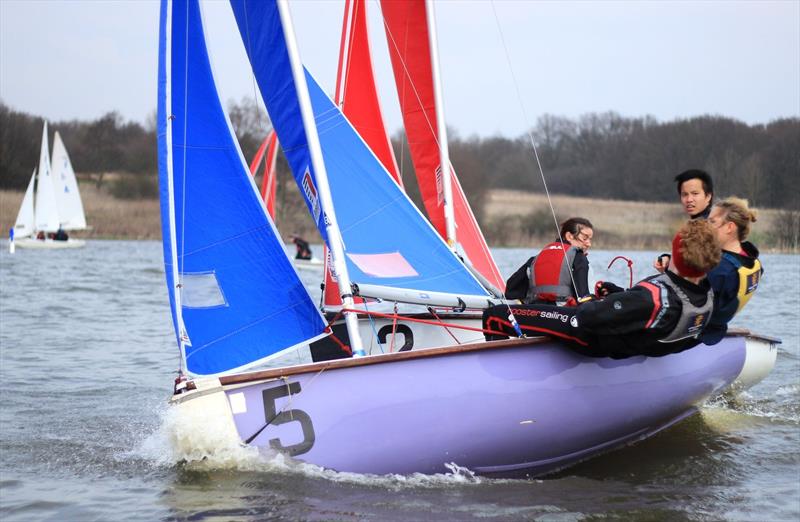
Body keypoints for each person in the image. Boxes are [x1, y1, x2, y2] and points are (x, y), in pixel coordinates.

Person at [483, 220, 721, 359]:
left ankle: (496, 384)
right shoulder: (708, 297)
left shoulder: (652, 298)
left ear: (676, 256)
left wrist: (604, 303)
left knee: (496, 315)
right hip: (640, 342)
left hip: (589, 338)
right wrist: (618, 295)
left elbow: (589, 317)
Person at [700, 197, 762, 345]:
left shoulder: (721, 271)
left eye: (712, 222)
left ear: (729, 227)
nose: (705, 227)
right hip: (717, 329)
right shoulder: (752, 259)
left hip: (702, 335)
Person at [504, 217, 594, 306]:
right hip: (564, 314)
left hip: (535, 310)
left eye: (590, 239)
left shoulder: (536, 258)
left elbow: (511, 289)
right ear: (569, 236)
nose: (589, 244)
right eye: (585, 238)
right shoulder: (579, 258)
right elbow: (583, 298)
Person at [653, 169, 715, 273]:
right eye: (684, 194)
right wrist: (668, 260)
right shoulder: (696, 224)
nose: (689, 199)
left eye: (695, 193)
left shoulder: (711, 227)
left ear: (708, 196)